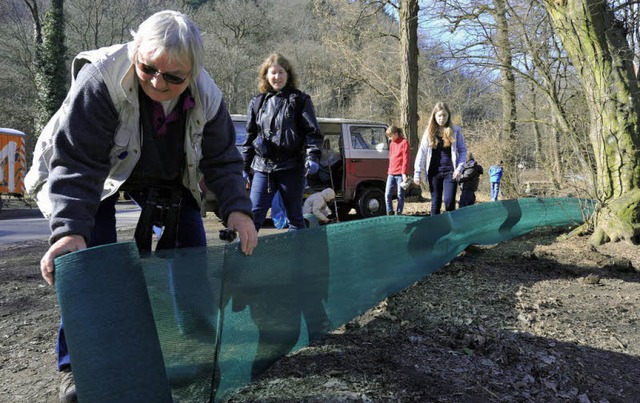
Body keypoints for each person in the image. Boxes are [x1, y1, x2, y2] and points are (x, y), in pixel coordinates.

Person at [23, 10, 258, 402]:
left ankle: (196, 353)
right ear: (136, 52)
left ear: (193, 72)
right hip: (97, 173)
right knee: (85, 263)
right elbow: (78, 164)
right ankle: (73, 366)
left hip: (169, 176)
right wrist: (69, 232)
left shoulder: (208, 95)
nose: (156, 81)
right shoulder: (100, 80)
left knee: (192, 257)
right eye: (147, 68)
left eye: (173, 77)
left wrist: (238, 209)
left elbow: (222, 160)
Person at [242, 53, 324, 231]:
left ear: (288, 74)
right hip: (262, 168)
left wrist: (313, 157)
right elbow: (250, 137)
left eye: (281, 72)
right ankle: (244, 257)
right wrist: (244, 166)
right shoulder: (257, 102)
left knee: (294, 217)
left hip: (291, 168)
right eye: (273, 72)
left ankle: (297, 258)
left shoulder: (300, 100)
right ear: (266, 75)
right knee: (253, 216)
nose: (277, 77)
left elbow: (313, 133)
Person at [413, 102, 467, 215]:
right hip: (434, 172)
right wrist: (417, 173)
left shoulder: (455, 131)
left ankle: (452, 230)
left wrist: (459, 169)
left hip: (451, 172)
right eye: (439, 115)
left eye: (444, 115)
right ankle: (435, 230)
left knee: (449, 202)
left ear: (448, 116)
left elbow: (462, 151)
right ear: (434, 116)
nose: (442, 118)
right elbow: (421, 152)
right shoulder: (429, 132)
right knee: (435, 203)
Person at [384, 125, 411, 215]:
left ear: (396, 134)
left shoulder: (404, 142)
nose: (389, 138)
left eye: (390, 136)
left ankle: (399, 212)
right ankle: (389, 211)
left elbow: (405, 159)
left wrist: (404, 173)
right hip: (391, 173)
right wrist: (389, 169)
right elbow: (391, 158)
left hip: (400, 173)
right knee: (387, 194)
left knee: (400, 194)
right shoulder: (392, 144)